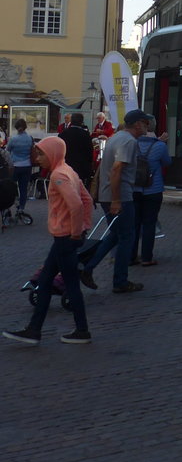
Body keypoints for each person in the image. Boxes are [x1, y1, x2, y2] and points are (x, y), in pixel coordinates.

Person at [3, 137, 93, 345]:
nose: (38, 157)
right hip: (66, 237)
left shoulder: (59, 175)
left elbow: (78, 204)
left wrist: (77, 232)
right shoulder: (67, 169)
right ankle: (35, 330)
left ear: (53, 153)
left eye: (42, 153)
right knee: (45, 282)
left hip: (65, 237)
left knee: (69, 284)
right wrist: (83, 228)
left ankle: (80, 331)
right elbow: (86, 199)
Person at [81, 110, 151, 294]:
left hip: (109, 195)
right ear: (137, 124)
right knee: (126, 237)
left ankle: (88, 267)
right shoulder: (128, 141)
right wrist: (117, 200)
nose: (147, 126)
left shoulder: (117, 136)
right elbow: (117, 169)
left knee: (115, 234)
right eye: (145, 123)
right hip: (120, 196)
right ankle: (120, 280)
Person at [131, 118, 169, 266]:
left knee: (134, 223)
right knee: (149, 223)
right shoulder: (159, 146)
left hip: (134, 188)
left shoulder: (133, 143)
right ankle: (147, 257)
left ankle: (131, 255)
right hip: (153, 189)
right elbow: (167, 162)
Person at [59, 113, 94, 194]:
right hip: (81, 166)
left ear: (71, 121)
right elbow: (89, 152)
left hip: (66, 165)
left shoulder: (63, 134)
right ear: (81, 122)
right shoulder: (85, 135)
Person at [6, 118, 34, 213]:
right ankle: (21, 208)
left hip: (15, 166)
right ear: (25, 127)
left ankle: (9, 207)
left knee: (10, 187)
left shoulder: (13, 139)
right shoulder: (30, 138)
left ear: (16, 127)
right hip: (27, 166)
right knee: (23, 188)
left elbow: (7, 151)